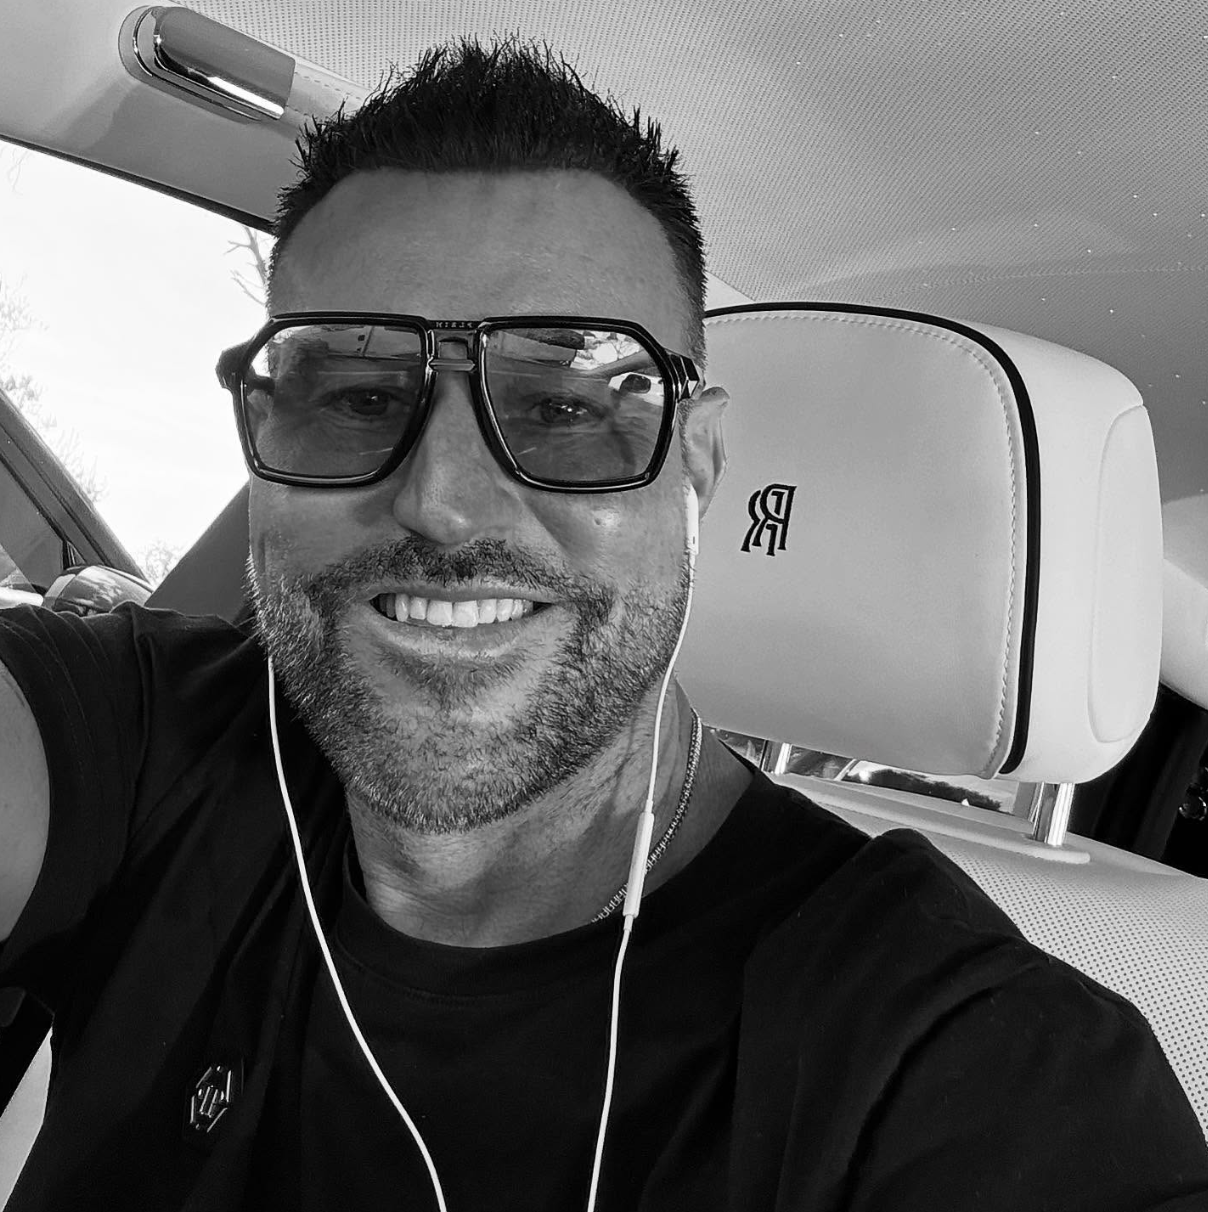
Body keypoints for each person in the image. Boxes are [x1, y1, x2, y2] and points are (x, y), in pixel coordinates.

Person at [0, 36, 1206, 1212]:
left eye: (567, 405)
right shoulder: (143, 743)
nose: (443, 499)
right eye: (359, 395)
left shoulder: (964, 1069)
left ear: (697, 465)